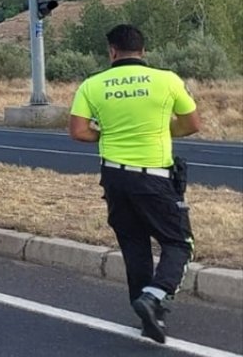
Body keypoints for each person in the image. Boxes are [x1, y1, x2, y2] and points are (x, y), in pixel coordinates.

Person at [68, 24, 200, 345]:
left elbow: (79, 131)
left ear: (112, 51)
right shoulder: (166, 80)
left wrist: (109, 133)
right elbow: (192, 124)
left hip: (114, 176)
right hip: (154, 176)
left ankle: (145, 315)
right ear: (142, 50)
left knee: (134, 244)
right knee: (179, 243)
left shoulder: (92, 84)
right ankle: (155, 297)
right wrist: (161, 131)